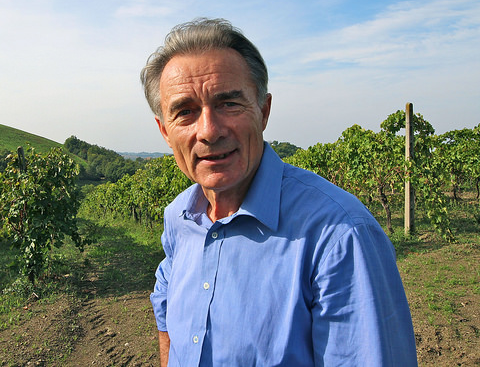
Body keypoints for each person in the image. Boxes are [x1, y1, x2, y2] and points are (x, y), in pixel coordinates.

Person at [140, 18, 417, 366]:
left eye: (229, 103)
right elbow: (165, 306)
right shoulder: (179, 217)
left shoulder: (340, 235)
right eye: (185, 112)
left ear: (264, 111)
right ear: (165, 131)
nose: (209, 131)